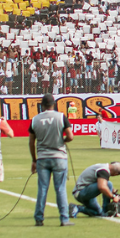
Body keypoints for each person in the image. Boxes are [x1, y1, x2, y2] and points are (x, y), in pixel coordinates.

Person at [29, 93, 77, 227]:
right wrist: (63, 141)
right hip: (59, 157)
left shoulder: (35, 119)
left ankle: (39, 218)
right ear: (53, 104)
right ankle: (64, 218)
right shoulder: (61, 117)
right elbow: (70, 136)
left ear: (42, 105)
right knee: (60, 188)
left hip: (43, 157)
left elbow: (31, 142)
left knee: (42, 189)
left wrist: (34, 159)